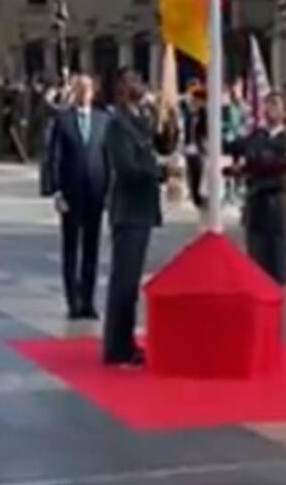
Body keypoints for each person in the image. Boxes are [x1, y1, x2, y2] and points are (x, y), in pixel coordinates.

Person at [102, 69, 175, 367]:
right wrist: (159, 173)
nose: (140, 85)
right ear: (122, 87)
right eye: (134, 80)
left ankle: (125, 341)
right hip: (129, 210)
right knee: (124, 281)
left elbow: (163, 145)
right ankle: (116, 346)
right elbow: (127, 168)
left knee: (130, 283)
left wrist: (168, 117)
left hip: (142, 209)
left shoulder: (139, 118)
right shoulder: (118, 124)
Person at [44, 75, 110, 321]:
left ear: (93, 93)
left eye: (88, 90)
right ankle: (73, 301)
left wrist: (109, 190)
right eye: (80, 89)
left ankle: (88, 301)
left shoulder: (103, 121)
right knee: (71, 248)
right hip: (70, 194)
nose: (84, 94)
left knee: (92, 249)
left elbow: (108, 158)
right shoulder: (63, 120)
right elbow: (54, 157)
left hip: (95, 193)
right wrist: (56, 191)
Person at [236, 92, 286, 285]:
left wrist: (260, 161)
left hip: (276, 204)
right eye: (268, 104)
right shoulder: (257, 135)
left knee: (276, 262)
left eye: (275, 105)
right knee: (255, 260)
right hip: (256, 201)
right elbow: (243, 152)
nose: (270, 109)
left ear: (285, 113)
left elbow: (285, 164)